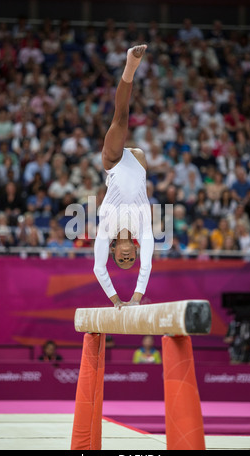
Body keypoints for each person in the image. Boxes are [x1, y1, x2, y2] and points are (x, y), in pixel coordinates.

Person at [93, 45, 154, 308]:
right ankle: (132, 68)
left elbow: (98, 269)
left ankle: (130, 64)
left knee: (120, 118)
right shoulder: (144, 229)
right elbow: (148, 264)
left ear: (114, 251)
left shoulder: (106, 229)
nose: (127, 258)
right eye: (131, 260)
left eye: (122, 259)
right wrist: (137, 298)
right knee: (130, 134)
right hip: (139, 163)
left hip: (114, 163)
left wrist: (117, 300)